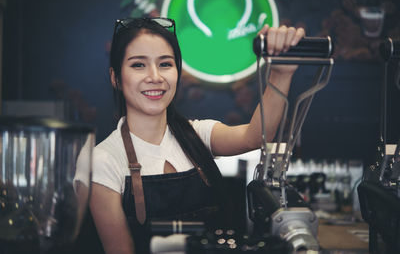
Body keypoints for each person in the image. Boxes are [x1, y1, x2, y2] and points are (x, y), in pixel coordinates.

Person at [89, 17, 305, 254]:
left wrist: (281, 74)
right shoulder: (104, 160)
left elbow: (254, 137)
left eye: (165, 64)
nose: (155, 76)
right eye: (138, 65)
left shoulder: (196, 135)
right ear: (115, 78)